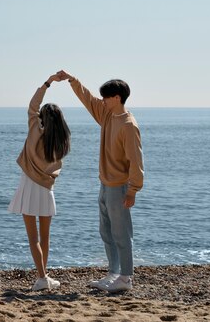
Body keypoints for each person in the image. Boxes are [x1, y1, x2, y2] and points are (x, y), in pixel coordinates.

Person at [57, 70, 144, 293]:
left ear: (116, 98)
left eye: (106, 97)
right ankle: (114, 273)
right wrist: (72, 80)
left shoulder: (128, 125)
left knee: (121, 233)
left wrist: (133, 190)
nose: (102, 101)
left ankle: (125, 277)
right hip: (105, 185)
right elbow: (87, 99)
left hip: (120, 187)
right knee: (106, 232)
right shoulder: (106, 115)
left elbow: (136, 160)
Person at [8, 74, 71, 291]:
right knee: (44, 236)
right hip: (46, 190)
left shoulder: (35, 129)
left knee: (33, 238)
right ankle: (44, 276)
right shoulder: (61, 142)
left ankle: (42, 277)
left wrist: (48, 82)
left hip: (28, 186)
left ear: (43, 118)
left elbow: (32, 106)